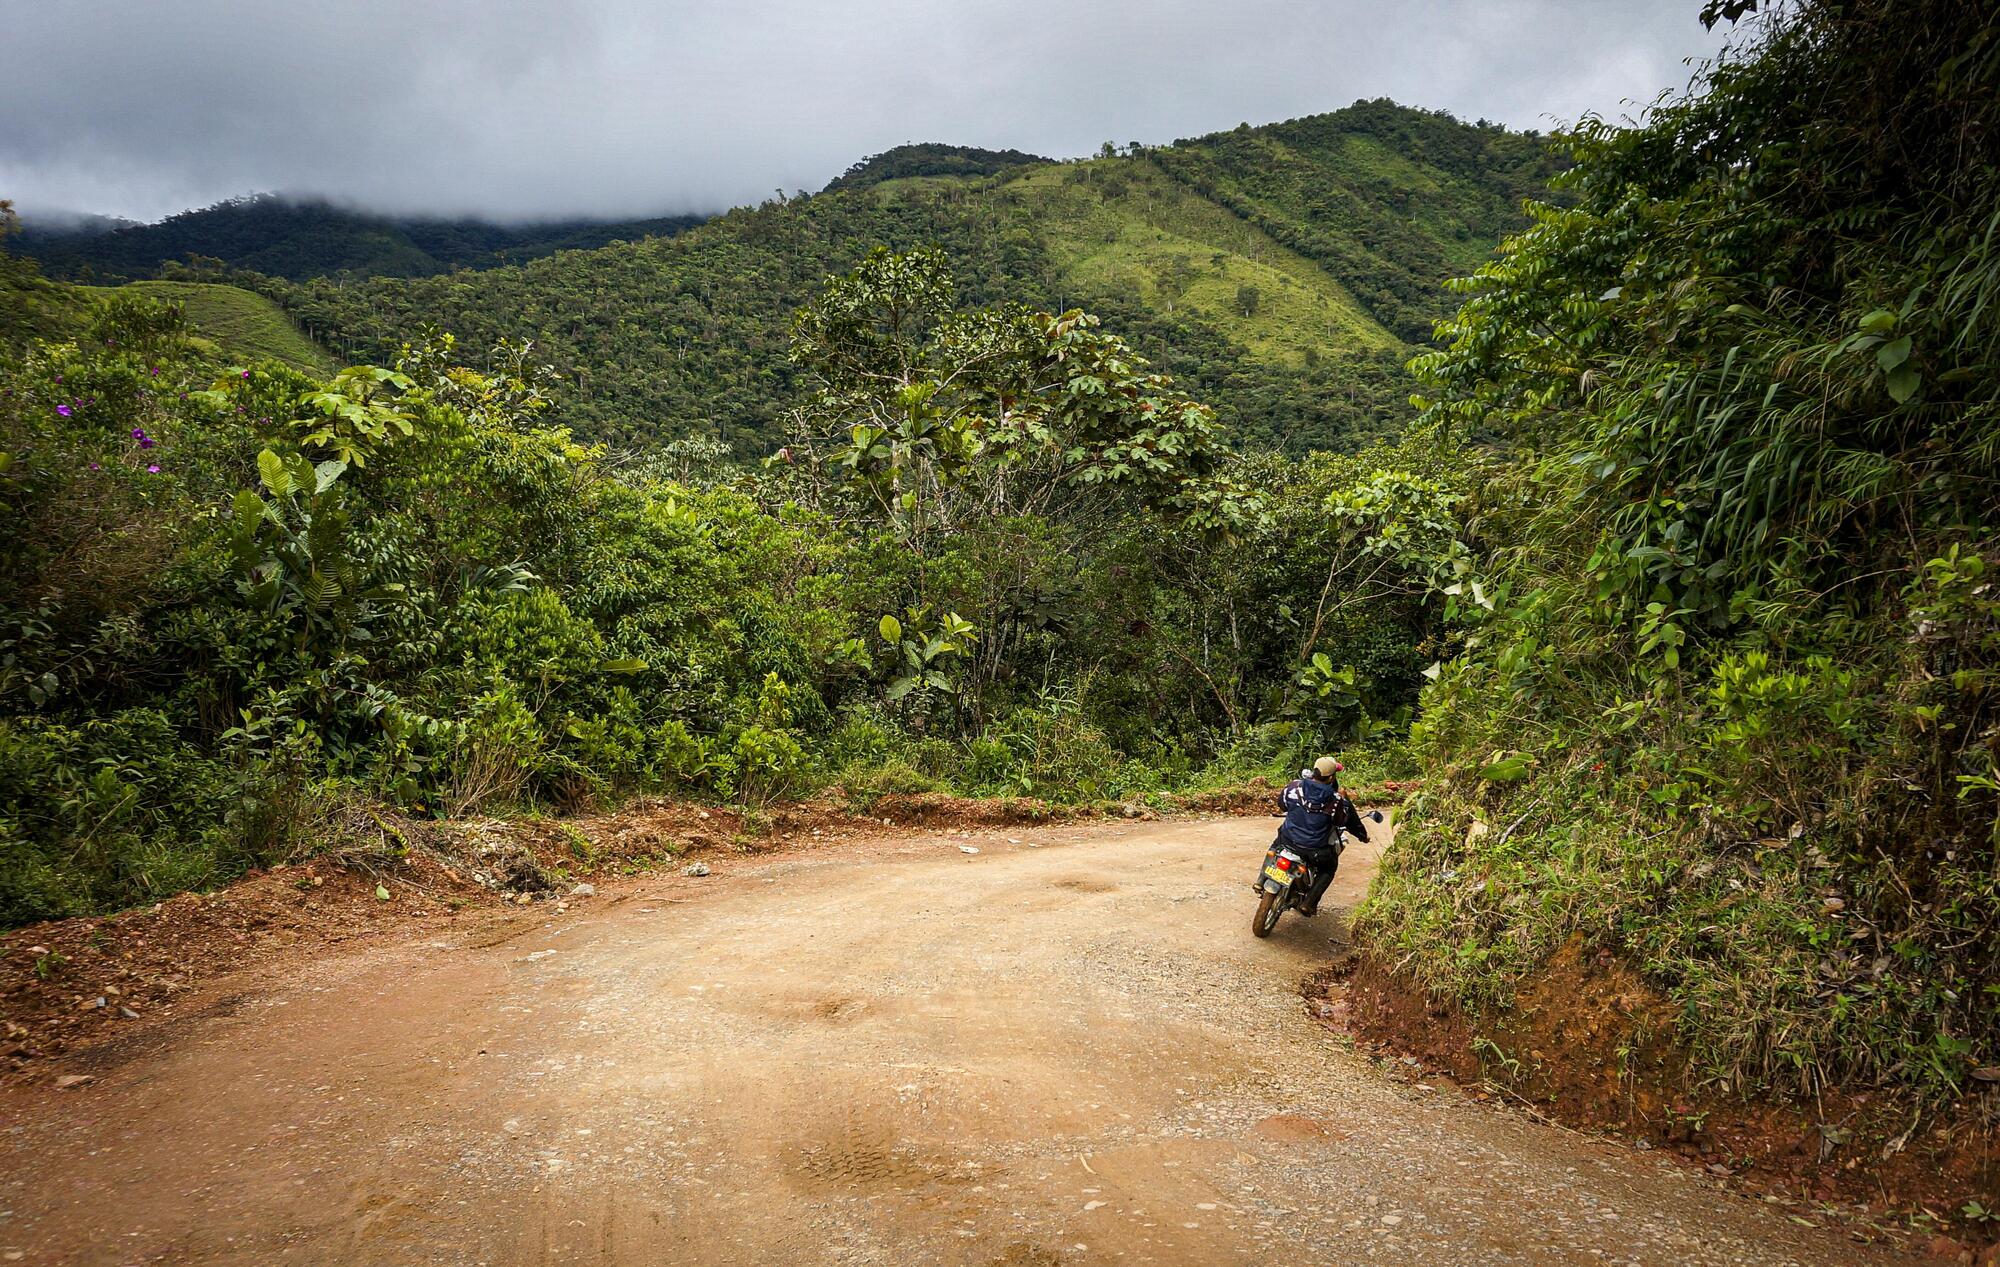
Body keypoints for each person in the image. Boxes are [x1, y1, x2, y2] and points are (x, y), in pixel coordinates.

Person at [1266, 755, 1370, 918]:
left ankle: (1260, 881)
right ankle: (1308, 903)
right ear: (1331, 777)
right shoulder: (1336, 800)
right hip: (1315, 851)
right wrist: (1363, 836)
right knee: (1329, 868)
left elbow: (1282, 804)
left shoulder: (1294, 786)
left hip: (1288, 840)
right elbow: (1343, 821)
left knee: (1276, 843)